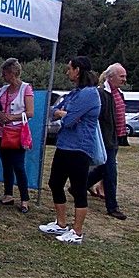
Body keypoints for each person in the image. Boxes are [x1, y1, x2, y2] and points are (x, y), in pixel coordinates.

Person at [39, 56, 100, 244]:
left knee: (79, 189)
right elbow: (54, 111)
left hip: (80, 148)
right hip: (64, 145)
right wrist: (64, 113)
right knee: (55, 183)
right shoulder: (75, 93)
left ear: (78, 70)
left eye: (69, 69)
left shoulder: (89, 94)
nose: (67, 72)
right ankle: (61, 223)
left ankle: (77, 232)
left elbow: (68, 120)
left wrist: (66, 114)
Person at [0, 58, 34, 213]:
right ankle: (8, 194)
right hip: (1, 132)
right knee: (6, 164)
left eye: (5, 73)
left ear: (13, 73)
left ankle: (24, 199)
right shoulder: (3, 90)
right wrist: (0, 115)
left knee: (18, 166)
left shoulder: (26, 89)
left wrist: (12, 117)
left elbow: (30, 112)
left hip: (17, 133)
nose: (3, 76)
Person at [87, 63, 128, 220]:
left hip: (114, 138)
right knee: (110, 173)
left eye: (125, 76)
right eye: (121, 76)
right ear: (110, 77)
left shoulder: (119, 94)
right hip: (105, 139)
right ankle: (112, 207)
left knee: (104, 169)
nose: (124, 79)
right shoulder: (101, 94)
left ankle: (79, 186)